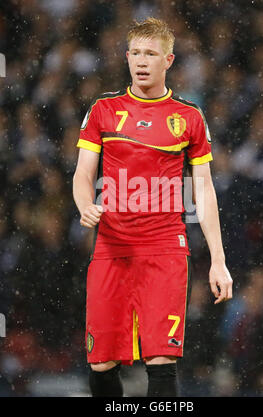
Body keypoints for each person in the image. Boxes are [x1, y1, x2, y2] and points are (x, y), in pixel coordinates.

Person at [72, 17, 233, 398]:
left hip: (164, 248)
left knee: (161, 359)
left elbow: (204, 189)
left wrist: (218, 260)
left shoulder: (189, 117)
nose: (141, 61)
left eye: (151, 54)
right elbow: (82, 174)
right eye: (135, 53)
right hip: (111, 247)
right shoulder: (103, 111)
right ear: (127, 58)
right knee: (100, 363)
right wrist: (84, 204)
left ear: (169, 60)